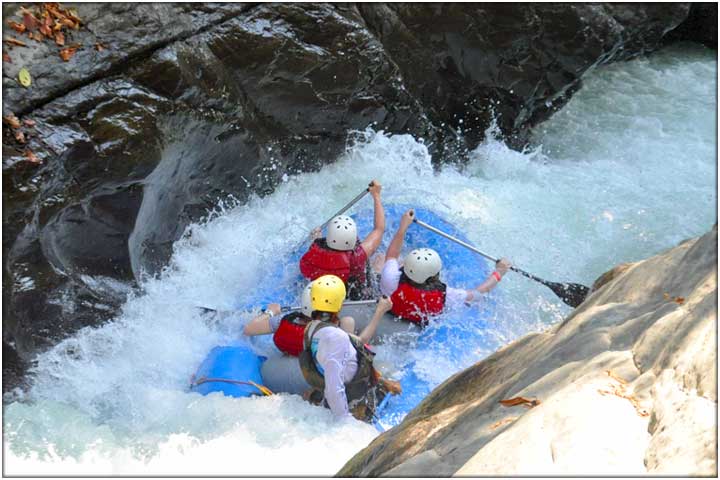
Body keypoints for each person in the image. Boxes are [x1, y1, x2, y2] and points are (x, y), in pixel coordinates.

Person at [379, 209, 512, 324]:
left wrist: (403, 227)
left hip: (392, 313)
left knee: (381, 259)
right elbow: (477, 294)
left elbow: (391, 255)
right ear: (435, 274)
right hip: (419, 324)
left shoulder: (390, 280)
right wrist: (499, 272)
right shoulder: (446, 295)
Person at [298, 275, 400, 421]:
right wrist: (344, 421)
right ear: (339, 304)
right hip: (352, 397)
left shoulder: (311, 328)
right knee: (391, 373)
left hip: (331, 386)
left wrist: (379, 311)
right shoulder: (336, 338)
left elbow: (357, 342)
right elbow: (334, 388)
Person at [299, 180, 385, 300]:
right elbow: (379, 229)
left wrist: (316, 238)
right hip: (354, 295)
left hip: (324, 295)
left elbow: (319, 251)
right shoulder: (357, 257)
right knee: (381, 258)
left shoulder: (313, 251)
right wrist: (376, 196)